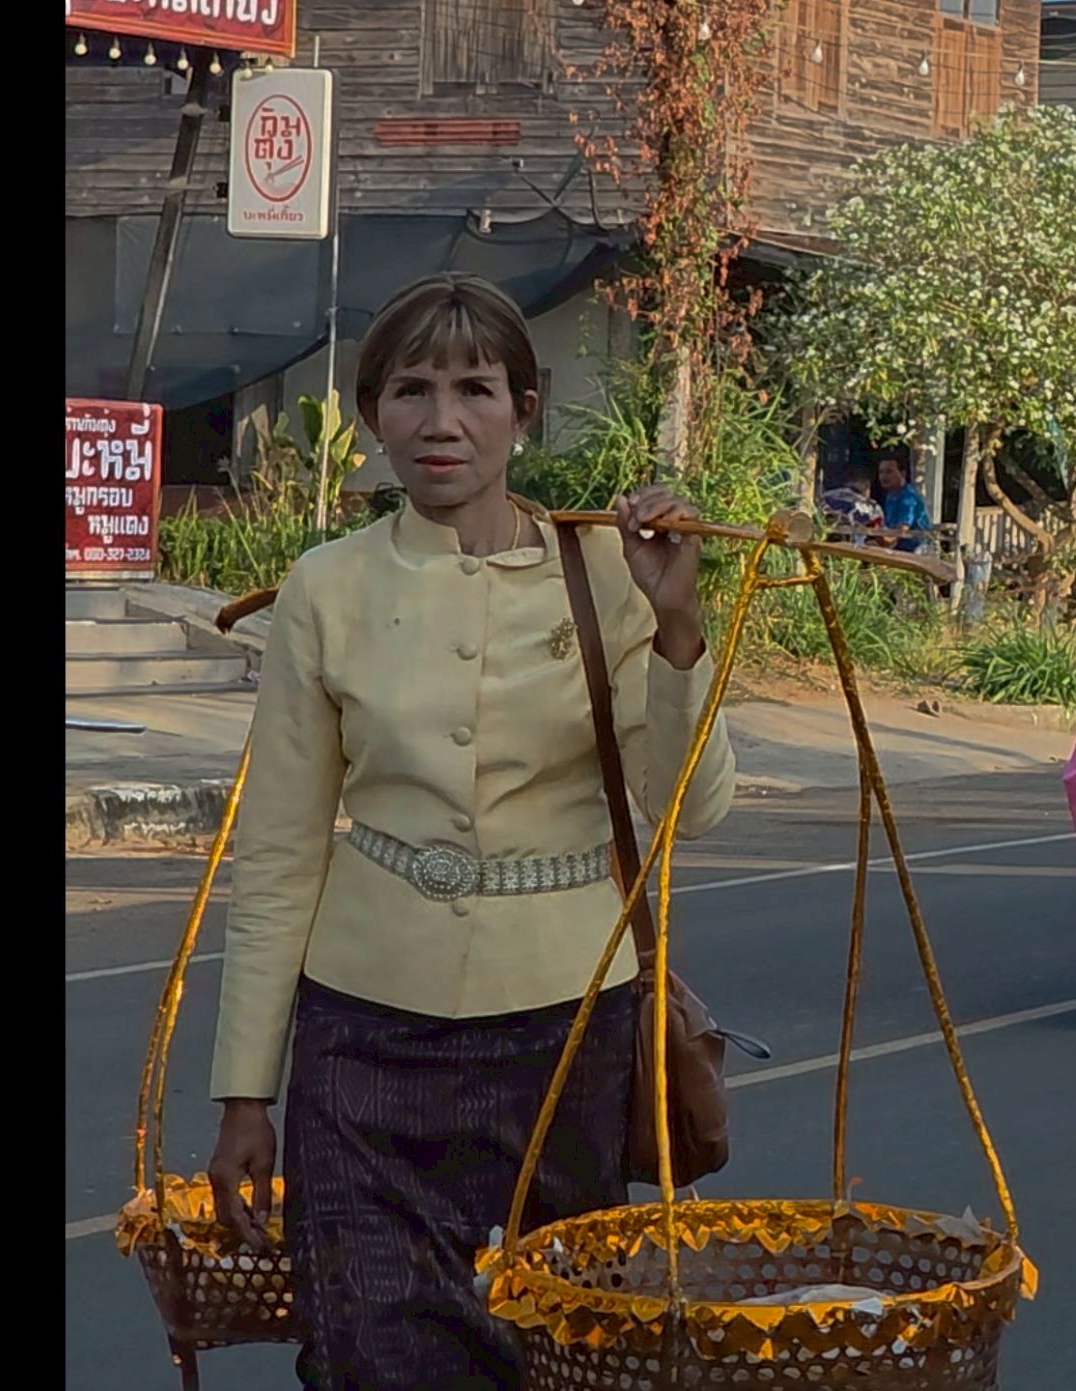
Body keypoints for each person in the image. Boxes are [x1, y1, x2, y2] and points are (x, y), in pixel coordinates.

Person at [203, 273, 738, 1388]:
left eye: (475, 390)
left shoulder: (608, 570)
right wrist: (244, 1091)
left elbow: (690, 804)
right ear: (372, 414)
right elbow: (279, 855)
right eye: (411, 391)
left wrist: (678, 620)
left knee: (557, 1346)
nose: (441, 422)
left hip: (564, 1029)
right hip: (362, 1033)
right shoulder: (325, 588)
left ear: (523, 410)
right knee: (364, 1343)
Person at [873, 452, 932, 553]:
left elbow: (902, 529)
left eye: (889, 472)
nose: (884, 476)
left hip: (916, 550)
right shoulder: (890, 496)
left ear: (903, 473)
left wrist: (882, 543)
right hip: (899, 547)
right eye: (881, 472)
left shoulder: (908, 496)